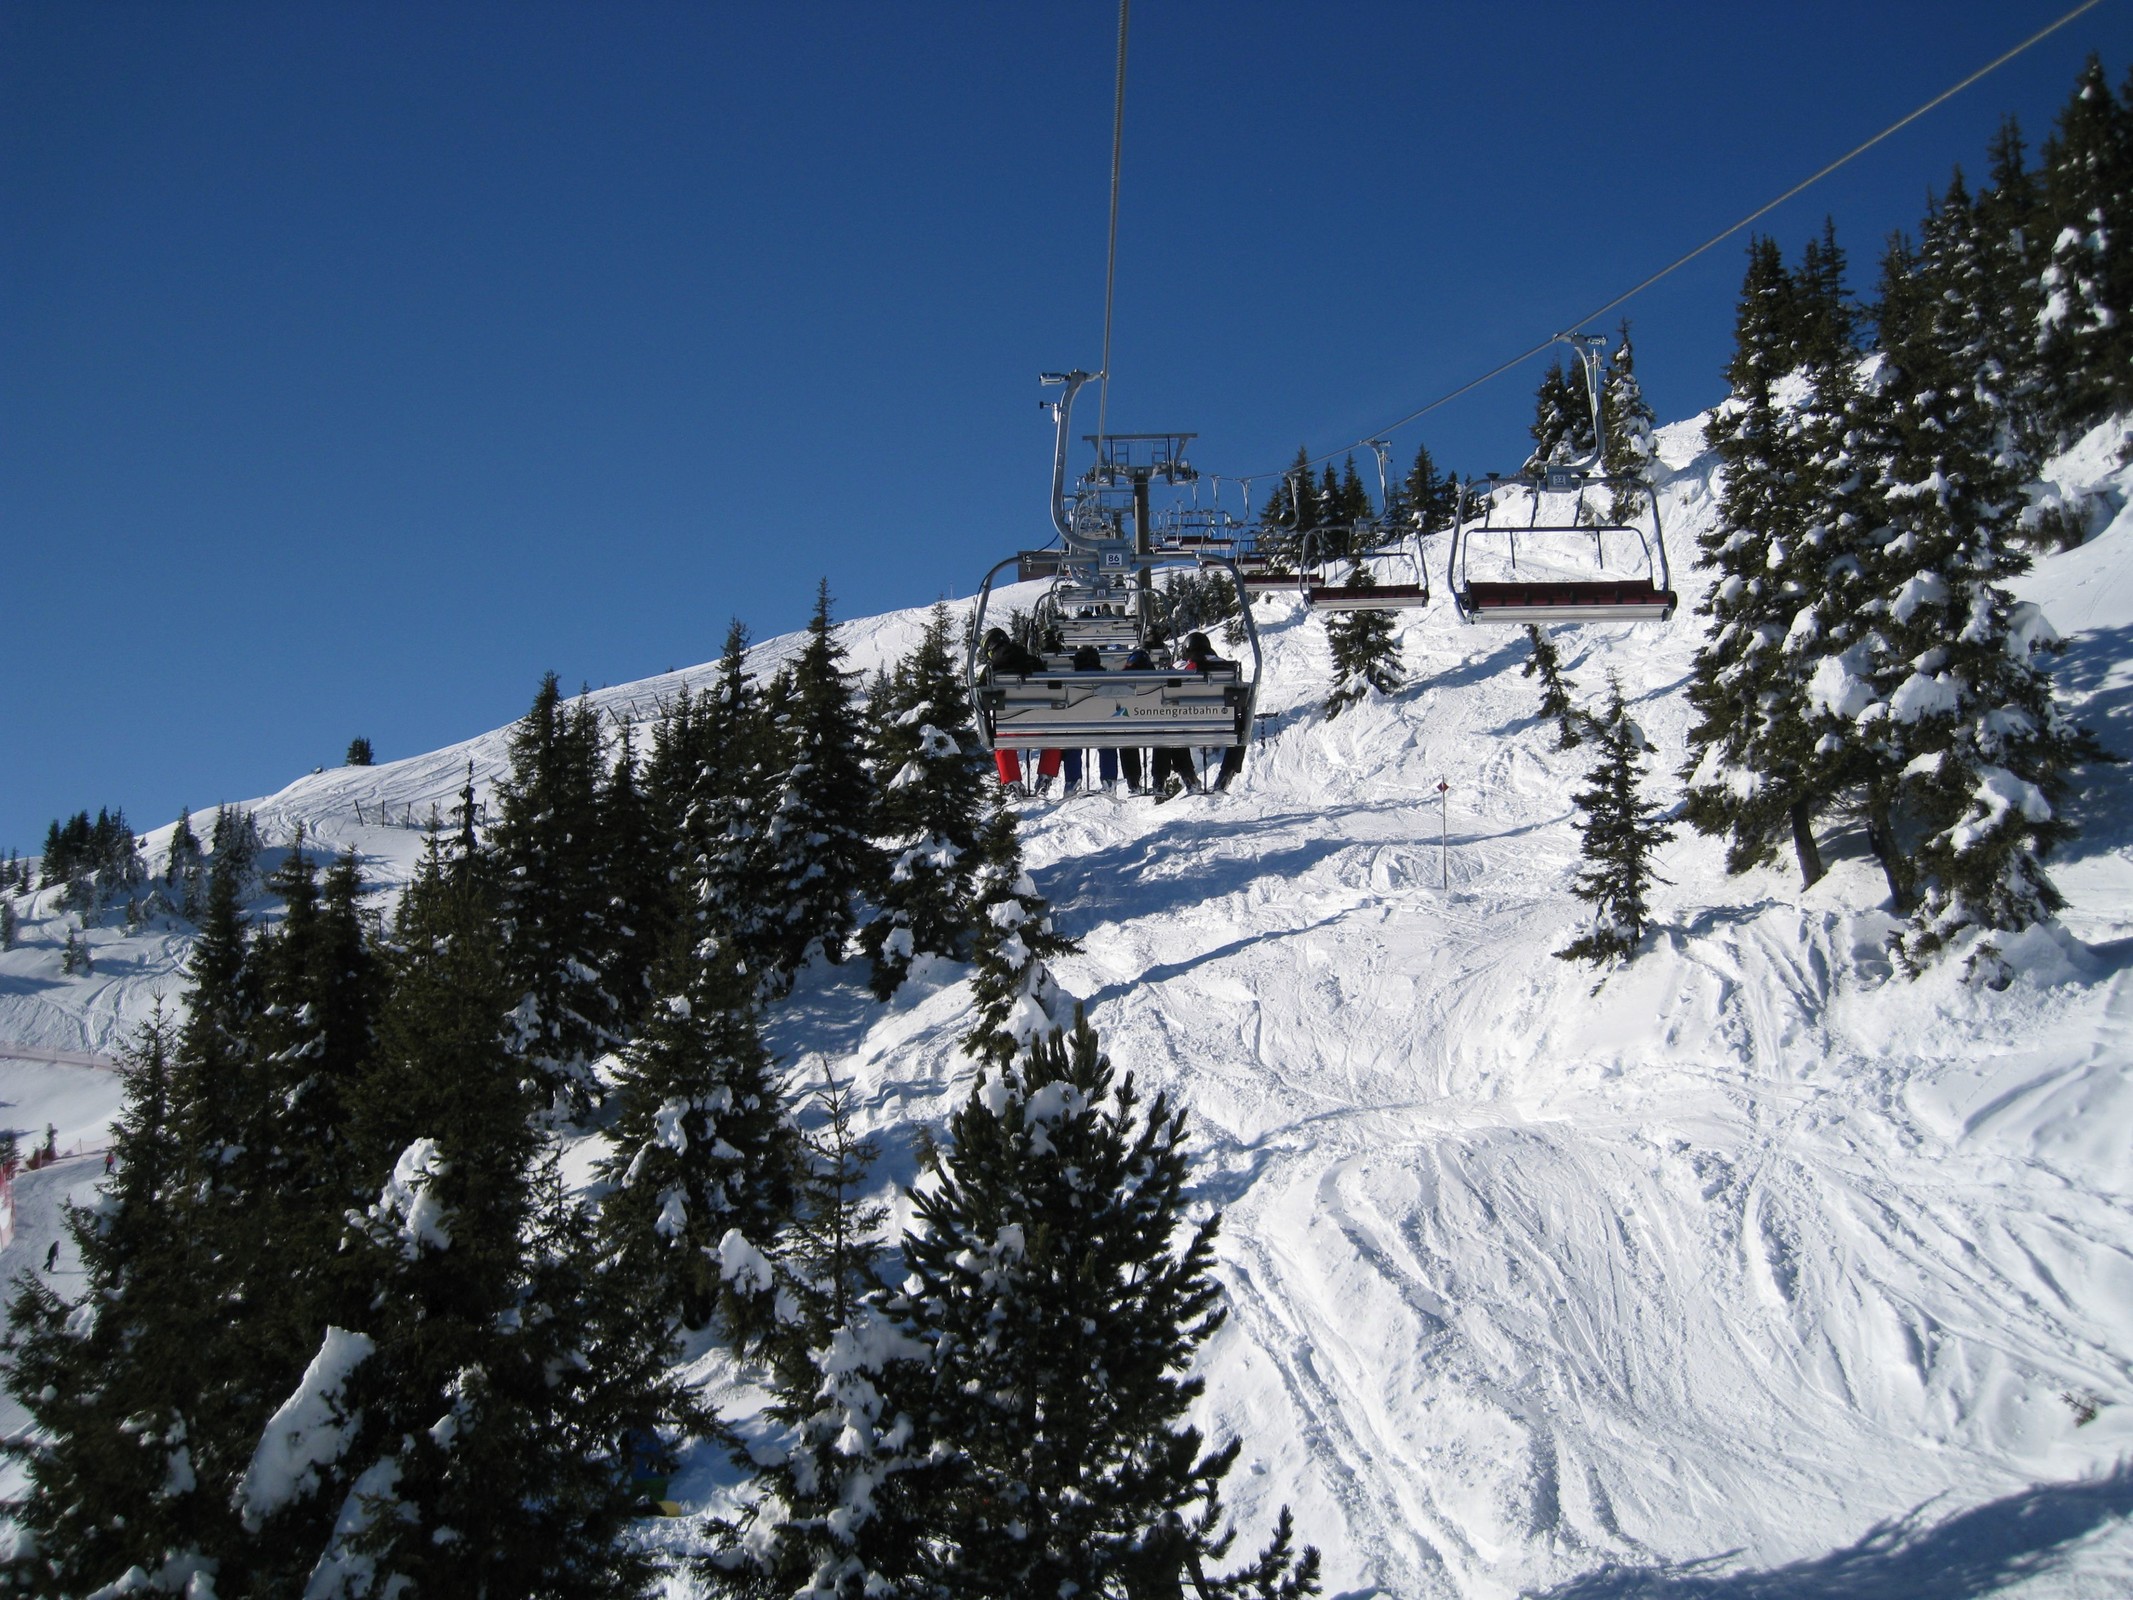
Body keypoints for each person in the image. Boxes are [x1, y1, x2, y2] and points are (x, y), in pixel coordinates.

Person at [980, 628, 1063, 795]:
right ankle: (1046, 775)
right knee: (1055, 738)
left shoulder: (990, 671)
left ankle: (1012, 782)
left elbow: (978, 702)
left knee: (1001, 742)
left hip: (1009, 730)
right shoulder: (1033, 661)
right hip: (1040, 727)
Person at [1177, 631, 1247, 794]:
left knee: (1167, 731)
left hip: (1183, 722)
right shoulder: (1226, 667)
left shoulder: (1179, 667)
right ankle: (1226, 773)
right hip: (1221, 722)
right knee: (1243, 724)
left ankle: (1188, 775)